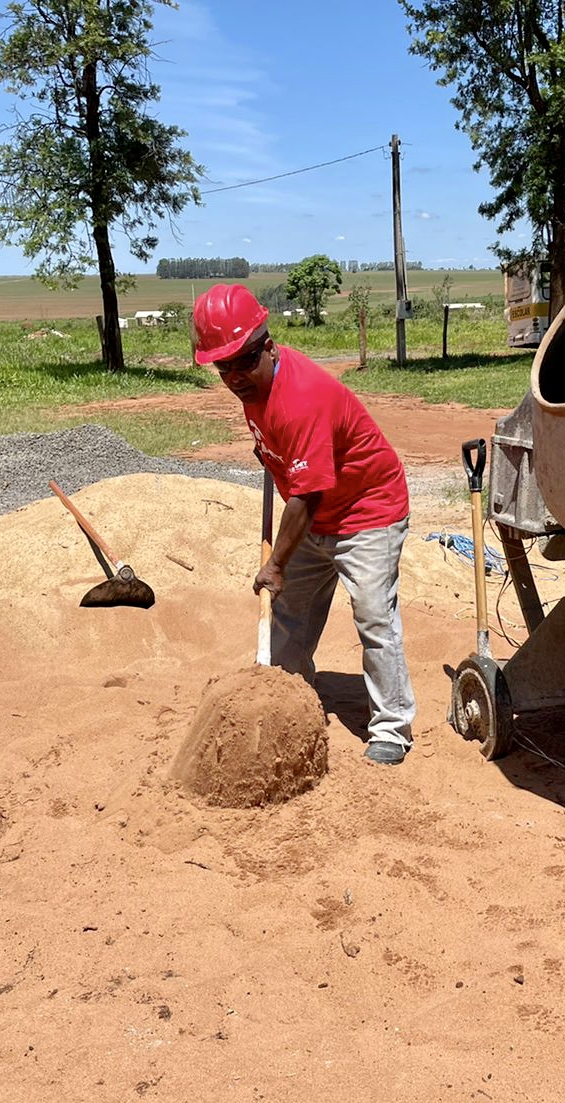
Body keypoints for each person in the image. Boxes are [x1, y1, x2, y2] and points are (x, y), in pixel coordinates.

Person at [193, 284, 416, 765]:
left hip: (366, 511)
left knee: (374, 614)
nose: (234, 375)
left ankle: (393, 728)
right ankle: (284, 706)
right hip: (316, 510)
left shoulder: (304, 396)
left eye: (243, 361)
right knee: (289, 616)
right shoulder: (254, 384)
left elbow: (308, 494)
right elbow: (289, 468)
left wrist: (275, 563)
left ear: (268, 346)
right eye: (222, 366)